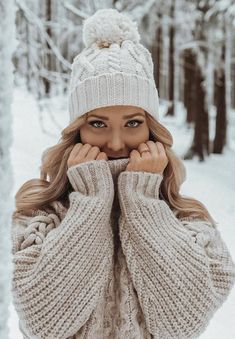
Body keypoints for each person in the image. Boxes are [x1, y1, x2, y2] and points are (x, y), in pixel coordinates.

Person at [11, 8, 235, 339]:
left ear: (152, 130)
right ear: (77, 132)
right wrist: (90, 202)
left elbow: (184, 324)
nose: (116, 143)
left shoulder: (189, 221)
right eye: (97, 124)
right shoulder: (37, 218)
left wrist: (143, 200)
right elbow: (44, 324)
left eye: (133, 123)